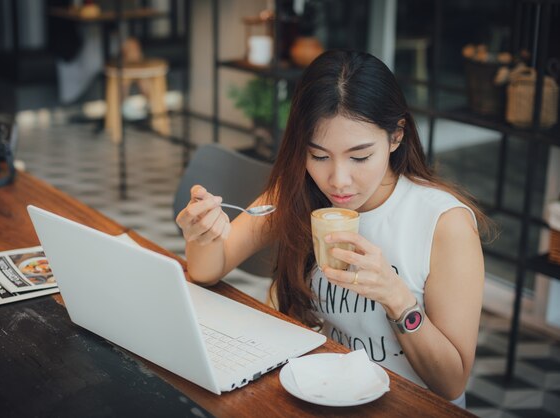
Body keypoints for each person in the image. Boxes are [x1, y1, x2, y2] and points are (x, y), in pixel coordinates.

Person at [176, 49, 486, 407]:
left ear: (396, 136)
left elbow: (451, 383)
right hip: (322, 392)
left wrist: (397, 298)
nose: (338, 181)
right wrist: (202, 235)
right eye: (319, 156)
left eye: (359, 156)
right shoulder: (298, 193)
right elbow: (208, 269)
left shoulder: (445, 225)